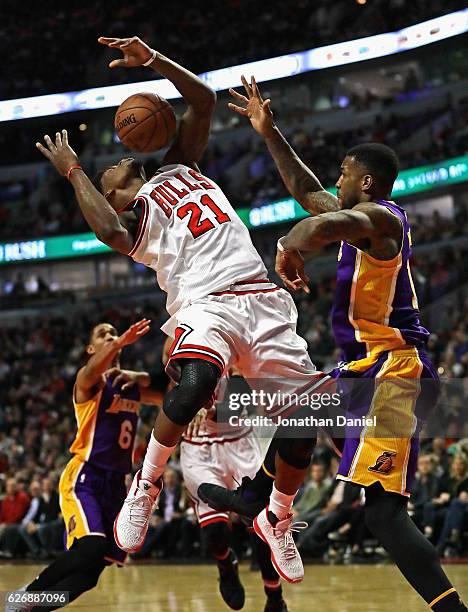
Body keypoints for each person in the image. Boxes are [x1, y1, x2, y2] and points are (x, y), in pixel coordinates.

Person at [36, 35, 330, 584]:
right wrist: (75, 172)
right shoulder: (134, 220)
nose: (123, 157)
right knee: (196, 380)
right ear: (117, 195)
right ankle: (145, 487)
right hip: (204, 304)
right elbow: (105, 228)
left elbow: (204, 102)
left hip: (260, 297)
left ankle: (279, 518)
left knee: (307, 418)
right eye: (112, 172)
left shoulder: (177, 166)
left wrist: (151, 59)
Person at [199, 76, 467, 610]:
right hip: (367, 367)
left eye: (344, 173)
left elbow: (327, 222)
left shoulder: (382, 220)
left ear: (366, 182)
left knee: (384, 513)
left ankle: (451, 607)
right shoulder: (360, 223)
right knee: (298, 412)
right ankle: (265, 508)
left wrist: (290, 243)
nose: (336, 180)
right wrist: (269, 131)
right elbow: (310, 197)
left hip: (394, 374)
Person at [6, 319, 162, 612]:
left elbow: (170, 399)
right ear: (91, 348)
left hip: (115, 484)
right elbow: (91, 370)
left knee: (90, 575)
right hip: (85, 476)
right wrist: (120, 343)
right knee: (90, 546)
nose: (112, 336)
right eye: (103, 334)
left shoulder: (129, 387)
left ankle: (32, 609)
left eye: (114, 333)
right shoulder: (89, 381)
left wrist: (140, 376)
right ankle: (26, 595)